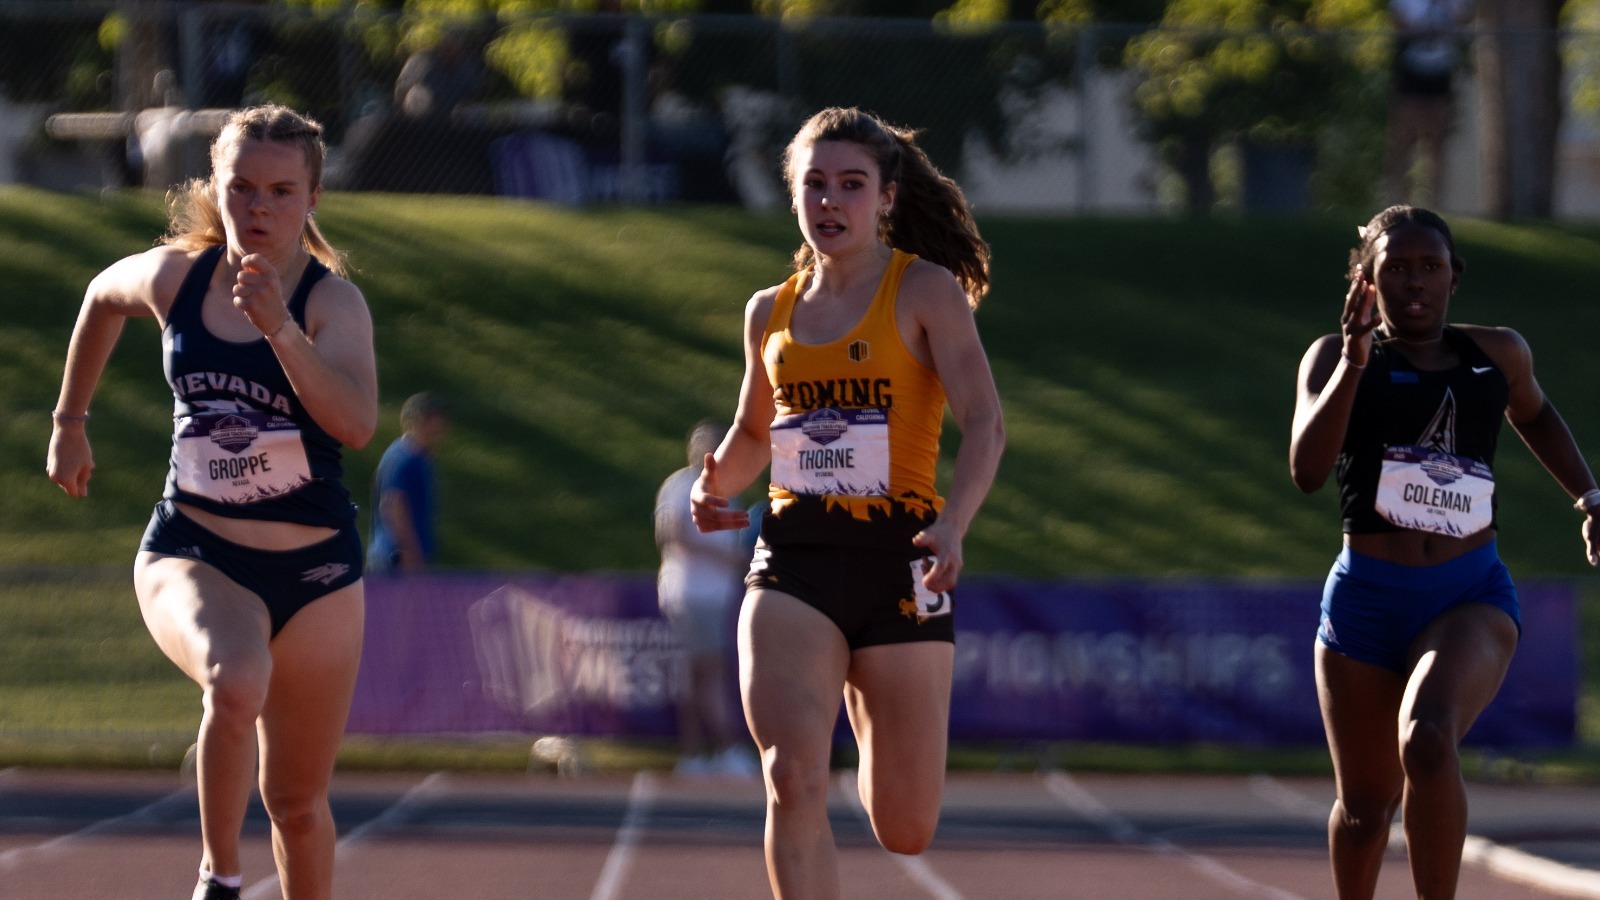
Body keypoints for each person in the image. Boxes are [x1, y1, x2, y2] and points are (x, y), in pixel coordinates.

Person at [46, 104, 377, 900]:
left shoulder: (333, 305)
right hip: (197, 548)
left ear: (312, 200)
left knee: (297, 805)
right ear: (216, 189)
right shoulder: (178, 277)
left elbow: (356, 424)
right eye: (242, 189)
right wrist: (69, 421)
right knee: (234, 679)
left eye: (281, 191)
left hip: (318, 574)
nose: (259, 208)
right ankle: (219, 878)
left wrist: (282, 333)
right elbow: (100, 296)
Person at [691, 107, 1005, 899]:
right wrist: (713, 482)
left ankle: (867, 704)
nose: (831, 201)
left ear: (887, 198)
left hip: (905, 562)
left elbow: (986, 422)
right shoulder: (771, 310)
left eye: (851, 186)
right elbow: (753, 432)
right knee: (791, 775)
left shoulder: (925, 292)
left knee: (906, 826)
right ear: (794, 196)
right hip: (793, 560)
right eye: (815, 185)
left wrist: (954, 524)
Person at [1289, 205, 1599, 900]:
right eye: (1395, 269)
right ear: (1365, 282)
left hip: (1467, 596)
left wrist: (1591, 497)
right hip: (1366, 603)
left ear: (1455, 275)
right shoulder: (1335, 357)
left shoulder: (1499, 355)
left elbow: (1538, 413)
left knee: (1428, 740)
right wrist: (1358, 359)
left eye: (1429, 266)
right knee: (1367, 811)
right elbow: (1307, 471)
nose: (1414, 283)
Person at [654, 419, 758, 777]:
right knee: (705, 673)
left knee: (702, 674)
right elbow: (673, 535)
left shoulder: (729, 488)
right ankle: (726, 748)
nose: (709, 450)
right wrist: (729, 560)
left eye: (715, 442)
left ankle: (696, 753)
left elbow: (737, 538)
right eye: (703, 443)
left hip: (720, 595)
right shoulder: (679, 487)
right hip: (689, 593)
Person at [1383, 0, 1474, 206]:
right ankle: (1397, 201)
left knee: (1437, 143)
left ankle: (1435, 203)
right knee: (1402, 140)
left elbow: (1464, 20)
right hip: (1410, 74)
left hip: (1440, 74)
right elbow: (1399, 25)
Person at [367, 391, 449, 574]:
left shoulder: (404, 453)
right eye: (432, 420)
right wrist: (410, 555)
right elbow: (393, 503)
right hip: (397, 561)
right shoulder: (407, 459)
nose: (439, 427)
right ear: (414, 422)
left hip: (392, 558)